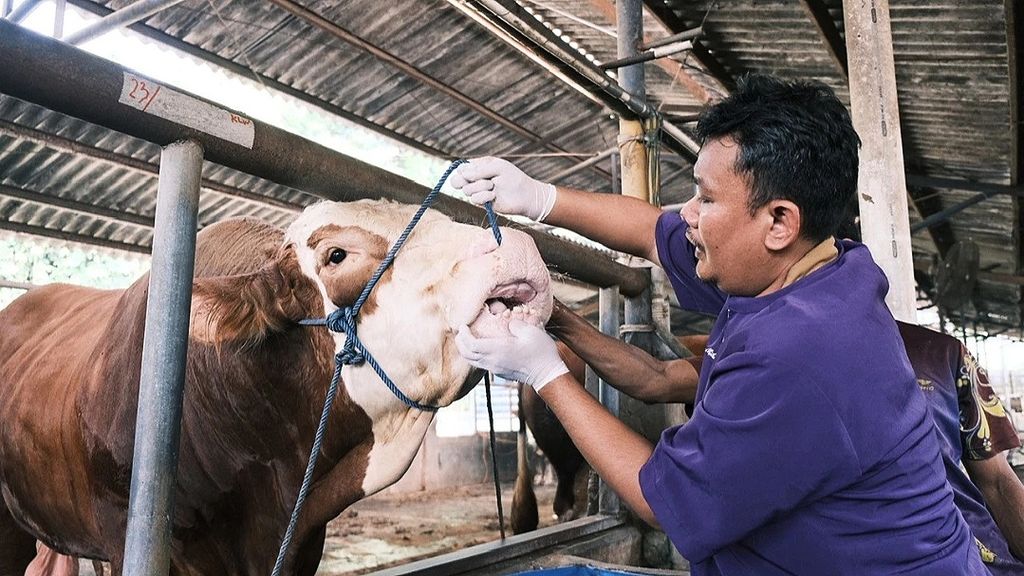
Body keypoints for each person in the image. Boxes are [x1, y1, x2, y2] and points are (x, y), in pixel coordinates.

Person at [451, 74, 987, 574]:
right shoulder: (812, 269)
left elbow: (660, 499)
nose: (687, 212)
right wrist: (538, 198)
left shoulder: (796, 355)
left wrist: (545, 374)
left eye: (706, 198)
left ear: (779, 221)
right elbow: (649, 232)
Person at [547, 298, 1024, 574]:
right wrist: (559, 320)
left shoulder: (944, 354)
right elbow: (655, 377)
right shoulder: (941, 352)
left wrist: (547, 364)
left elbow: (1000, 483)